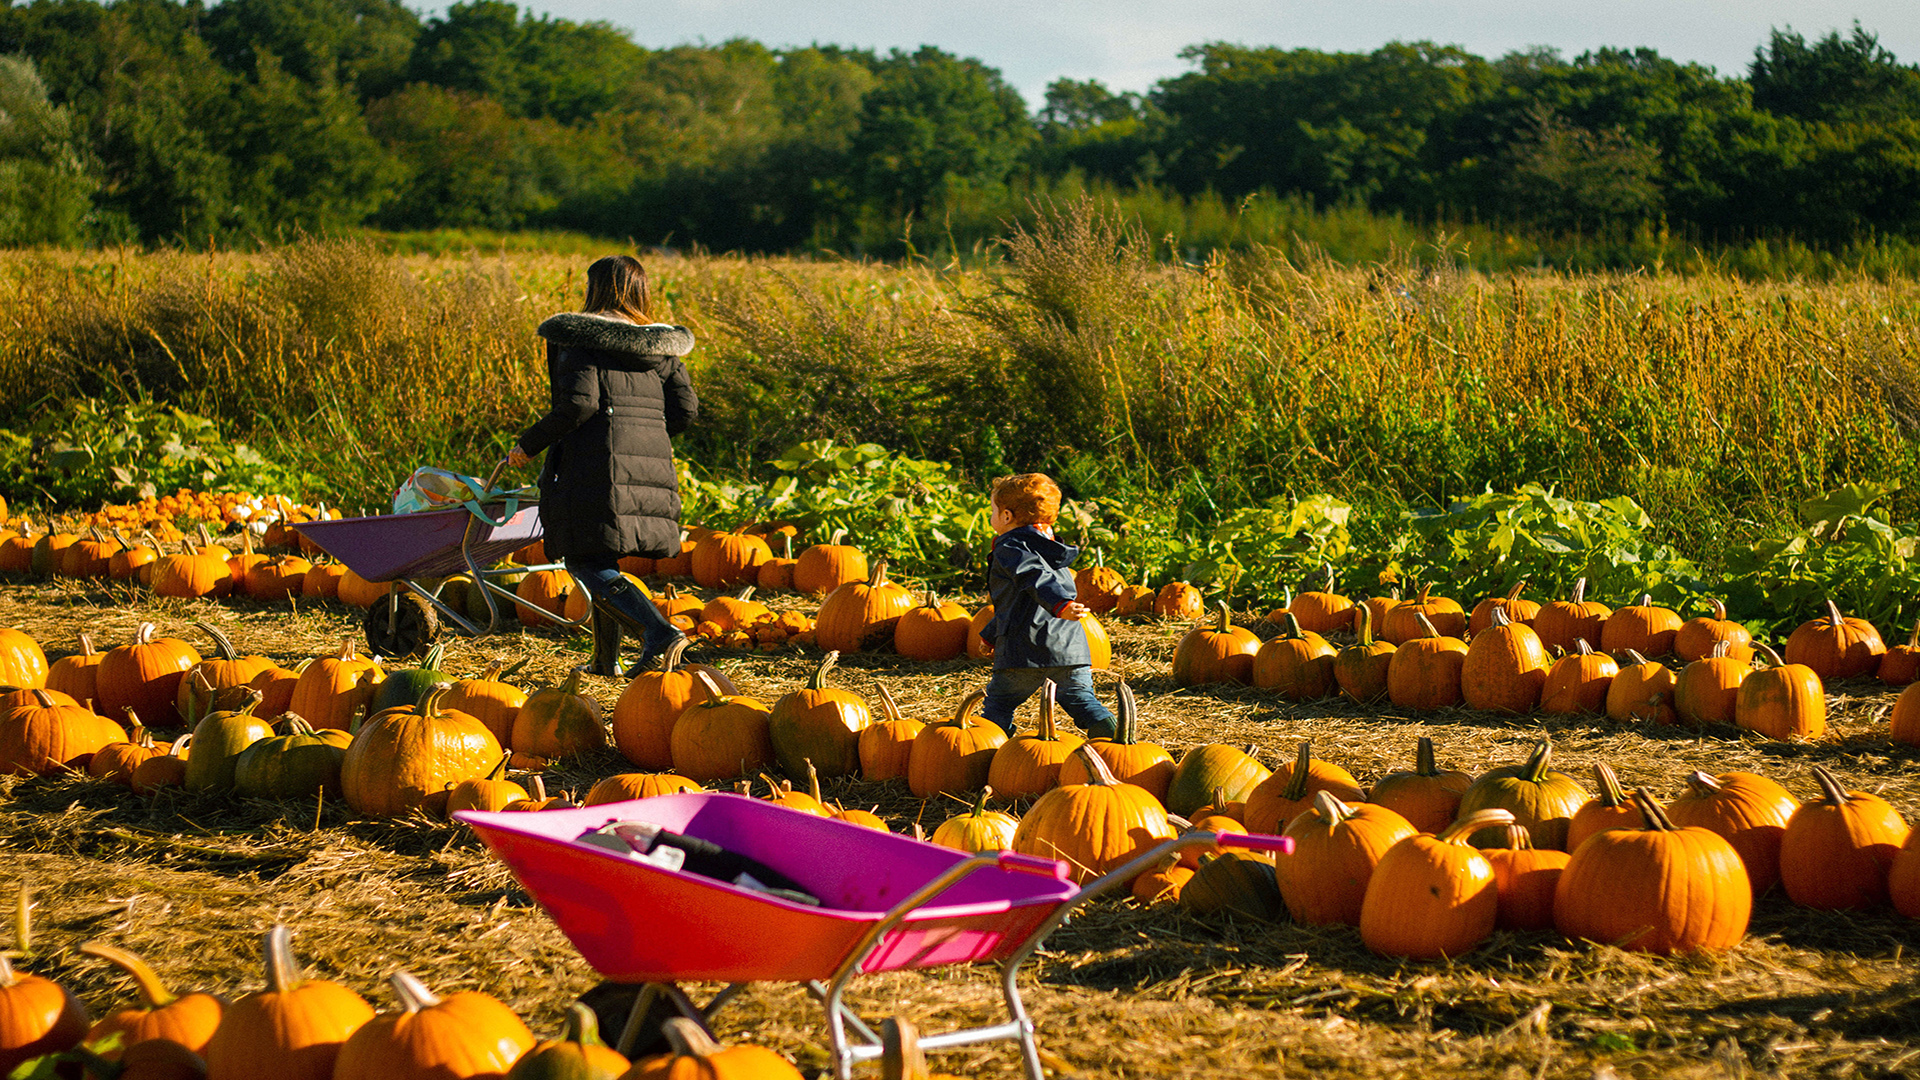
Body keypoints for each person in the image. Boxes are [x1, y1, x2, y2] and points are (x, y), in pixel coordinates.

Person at [504, 254, 695, 677]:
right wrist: (646, 434)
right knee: (600, 556)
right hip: (649, 460)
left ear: (595, 288)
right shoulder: (660, 345)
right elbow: (685, 410)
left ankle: (660, 634)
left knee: (583, 560)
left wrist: (528, 445)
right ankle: (605, 661)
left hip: (594, 462)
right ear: (640, 290)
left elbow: (578, 404)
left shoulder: (580, 337)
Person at [976, 473, 1117, 739]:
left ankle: (987, 753)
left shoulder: (1011, 547)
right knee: (1084, 704)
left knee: (999, 703)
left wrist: (1060, 604)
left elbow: (1034, 578)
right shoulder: (1051, 549)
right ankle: (1119, 743)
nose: (991, 516)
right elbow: (1020, 601)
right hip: (1069, 651)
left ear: (1006, 516)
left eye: (992, 510)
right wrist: (990, 634)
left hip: (1023, 650)